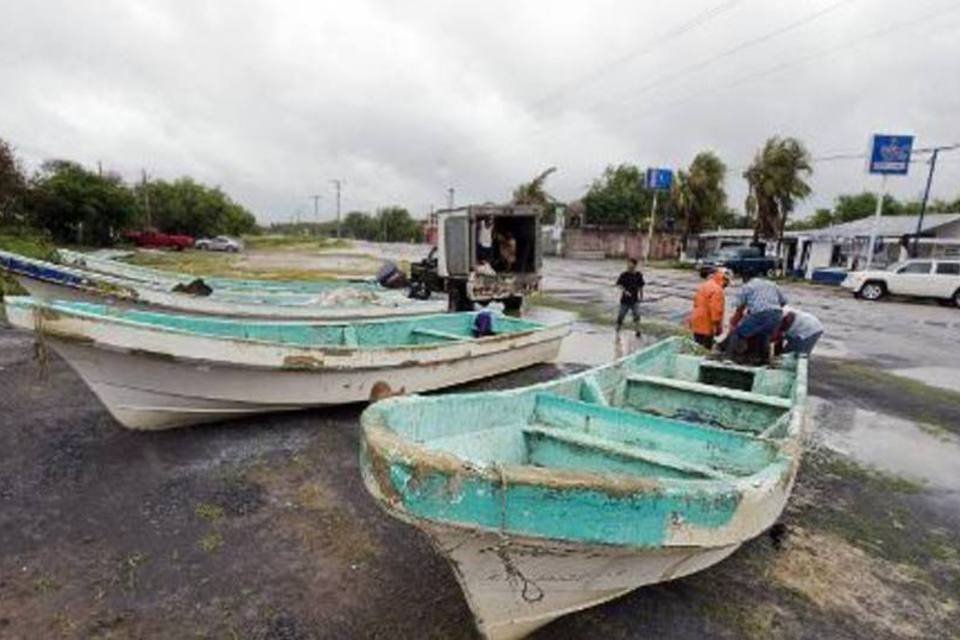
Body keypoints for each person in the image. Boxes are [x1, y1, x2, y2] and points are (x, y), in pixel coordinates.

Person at [725, 273, 786, 365]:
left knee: (738, 333)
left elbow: (740, 308)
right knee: (764, 336)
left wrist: (733, 324)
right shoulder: (772, 284)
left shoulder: (748, 286)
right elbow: (783, 302)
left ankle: (731, 358)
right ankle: (764, 361)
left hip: (761, 314)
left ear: (745, 280)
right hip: (777, 314)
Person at [689, 268, 730, 349]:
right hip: (706, 325)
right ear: (724, 280)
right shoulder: (718, 290)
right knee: (705, 349)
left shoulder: (705, 285)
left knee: (697, 347)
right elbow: (716, 312)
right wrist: (718, 329)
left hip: (696, 322)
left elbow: (696, 303)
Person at [615, 258, 645, 337]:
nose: (628, 265)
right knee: (621, 315)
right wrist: (625, 291)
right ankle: (618, 328)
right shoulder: (624, 274)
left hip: (635, 300)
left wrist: (641, 296)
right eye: (628, 263)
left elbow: (641, 286)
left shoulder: (638, 275)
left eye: (630, 263)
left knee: (637, 315)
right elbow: (619, 285)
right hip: (625, 300)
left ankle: (638, 330)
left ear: (634, 265)